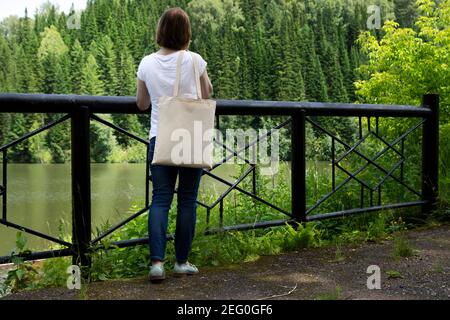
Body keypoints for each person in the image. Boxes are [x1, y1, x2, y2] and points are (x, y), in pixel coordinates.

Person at [136, 7, 213, 282]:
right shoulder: (195, 60)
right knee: (188, 200)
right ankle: (181, 262)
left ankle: (157, 264)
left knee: (160, 200)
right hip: (190, 135)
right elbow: (206, 93)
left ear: (161, 31)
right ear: (186, 33)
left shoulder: (146, 63)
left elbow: (142, 104)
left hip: (160, 137)